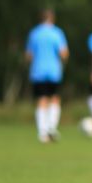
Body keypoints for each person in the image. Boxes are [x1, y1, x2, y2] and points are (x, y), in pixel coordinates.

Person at [25, 9, 69, 143]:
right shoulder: (57, 32)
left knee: (41, 100)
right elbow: (64, 53)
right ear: (52, 19)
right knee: (54, 99)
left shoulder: (34, 33)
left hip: (38, 71)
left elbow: (28, 55)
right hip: (53, 71)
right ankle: (52, 128)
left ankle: (42, 133)